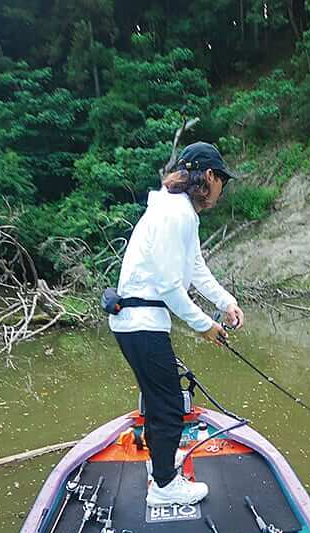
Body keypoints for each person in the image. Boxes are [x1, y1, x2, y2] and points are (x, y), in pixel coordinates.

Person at [110, 142, 245, 507]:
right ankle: (165, 487)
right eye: (222, 182)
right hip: (141, 319)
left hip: (138, 320)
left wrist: (225, 302)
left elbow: (195, 268)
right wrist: (205, 326)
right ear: (210, 177)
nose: (222, 190)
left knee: (160, 401)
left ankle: (161, 468)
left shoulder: (178, 211)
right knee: (169, 404)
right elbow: (171, 286)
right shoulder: (176, 214)